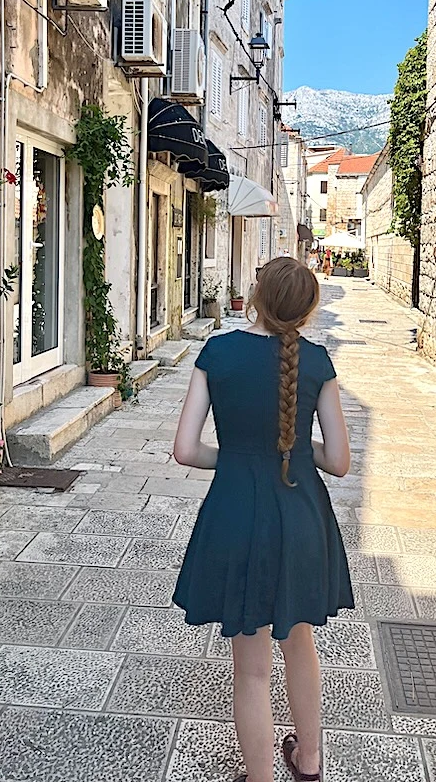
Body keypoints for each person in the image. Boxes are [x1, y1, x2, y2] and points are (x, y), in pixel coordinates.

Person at [173, 257, 353, 782]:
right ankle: (309, 761)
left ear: (254, 295)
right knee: (300, 641)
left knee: (250, 669)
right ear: (308, 310)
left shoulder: (217, 354)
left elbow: (185, 450)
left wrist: (234, 456)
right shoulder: (318, 363)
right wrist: (294, 449)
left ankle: (259, 777)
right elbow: (339, 461)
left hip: (236, 512)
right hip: (300, 517)